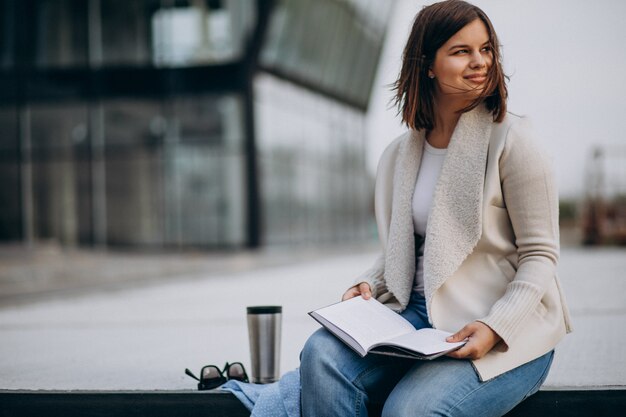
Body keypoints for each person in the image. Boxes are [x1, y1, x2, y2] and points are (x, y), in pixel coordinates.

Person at [299, 1, 573, 416]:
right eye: (462, 51)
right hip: (415, 318)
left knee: (408, 411)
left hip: (503, 327)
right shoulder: (399, 154)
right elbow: (406, 244)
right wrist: (369, 283)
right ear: (427, 64)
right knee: (320, 354)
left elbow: (541, 255)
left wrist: (496, 326)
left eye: (487, 49)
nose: (480, 62)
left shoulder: (515, 140)